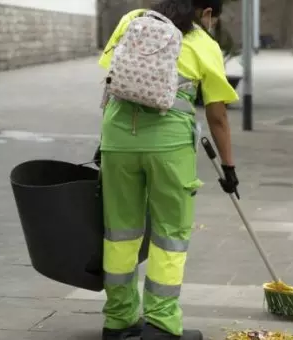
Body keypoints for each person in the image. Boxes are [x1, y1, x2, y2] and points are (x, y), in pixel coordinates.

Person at [96, 0, 240, 339]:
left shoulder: (133, 19)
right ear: (206, 12)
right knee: (168, 235)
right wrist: (229, 166)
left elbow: (111, 77)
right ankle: (161, 323)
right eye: (213, 18)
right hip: (168, 146)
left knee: (120, 232)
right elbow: (217, 116)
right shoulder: (205, 43)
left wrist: (105, 137)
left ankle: (119, 319)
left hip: (117, 137)